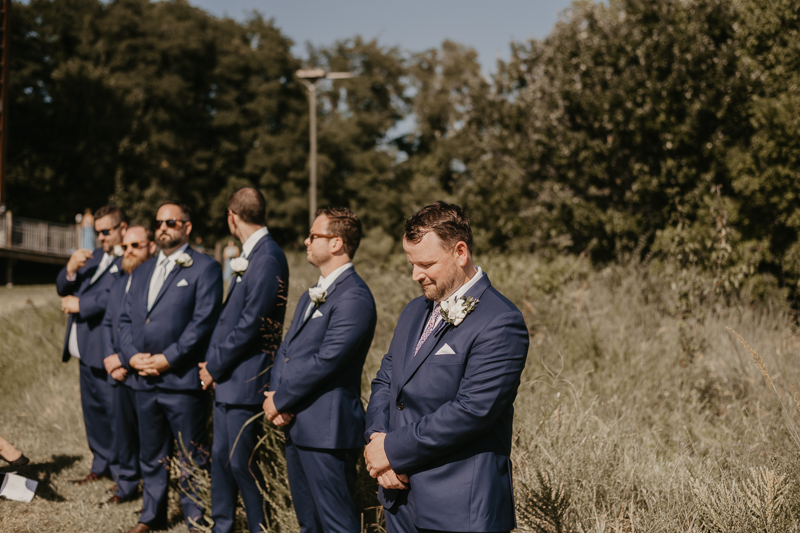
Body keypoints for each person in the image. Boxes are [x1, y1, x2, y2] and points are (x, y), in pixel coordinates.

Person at [364, 201, 529, 533]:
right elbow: (386, 381)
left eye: (426, 263)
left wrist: (392, 451)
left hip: (458, 510)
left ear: (460, 252)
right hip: (398, 500)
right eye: (411, 263)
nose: (415, 275)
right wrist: (377, 440)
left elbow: (471, 411)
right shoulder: (414, 311)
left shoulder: (500, 321)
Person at [265, 207, 377, 533]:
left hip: (328, 431)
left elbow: (327, 361)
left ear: (336, 244)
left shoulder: (354, 296)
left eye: (314, 235)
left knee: (337, 525)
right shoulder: (309, 296)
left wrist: (281, 399)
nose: (306, 241)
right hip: (298, 423)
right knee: (308, 524)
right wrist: (275, 397)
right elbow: (286, 349)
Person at [118, 201, 222, 533]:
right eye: (159, 222)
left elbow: (203, 323)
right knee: (151, 453)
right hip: (143, 380)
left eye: (172, 222)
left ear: (186, 228)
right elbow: (124, 319)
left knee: (192, 457)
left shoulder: (205, 268)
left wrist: (168, 359)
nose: (164, 227)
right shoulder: (143, 269)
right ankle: (152, 515)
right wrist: (132, 356)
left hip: (181, 379)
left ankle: (195, 519)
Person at [199, 187, 289, 533]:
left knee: (242, 463)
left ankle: (259, 527)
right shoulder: (254, 255)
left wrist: (214, 366)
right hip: (230, 378)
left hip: (247, 377)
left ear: (231, 216)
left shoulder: (267, 257)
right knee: (223, 460)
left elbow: (251, 324)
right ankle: (222, 526)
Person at [56, 205, 127, 485]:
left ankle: (122, 471)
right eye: (97, 232)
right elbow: (63, 287)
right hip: (84, 350)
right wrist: (71, 269)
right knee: (93, 412)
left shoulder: (130, 259)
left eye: (107, 231)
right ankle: (100, 465)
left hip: (107, 348)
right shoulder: (94, 257)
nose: (101, 238)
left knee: (113, 412)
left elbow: (115, 296)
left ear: (122, 228)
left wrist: (80, 304)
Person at [100, 225, 157, 505]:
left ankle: (155, 489)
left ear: (151, 247)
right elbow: (110, 322)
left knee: (150, 437)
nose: (129, 251)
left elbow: (153, 330)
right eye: (126, 247)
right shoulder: (120, 281)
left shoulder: (156, 280)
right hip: (118, 370)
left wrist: (125, 359)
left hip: (145, 370)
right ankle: (126, 485)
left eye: (136, 245)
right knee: (123, 432)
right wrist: (112, 360)